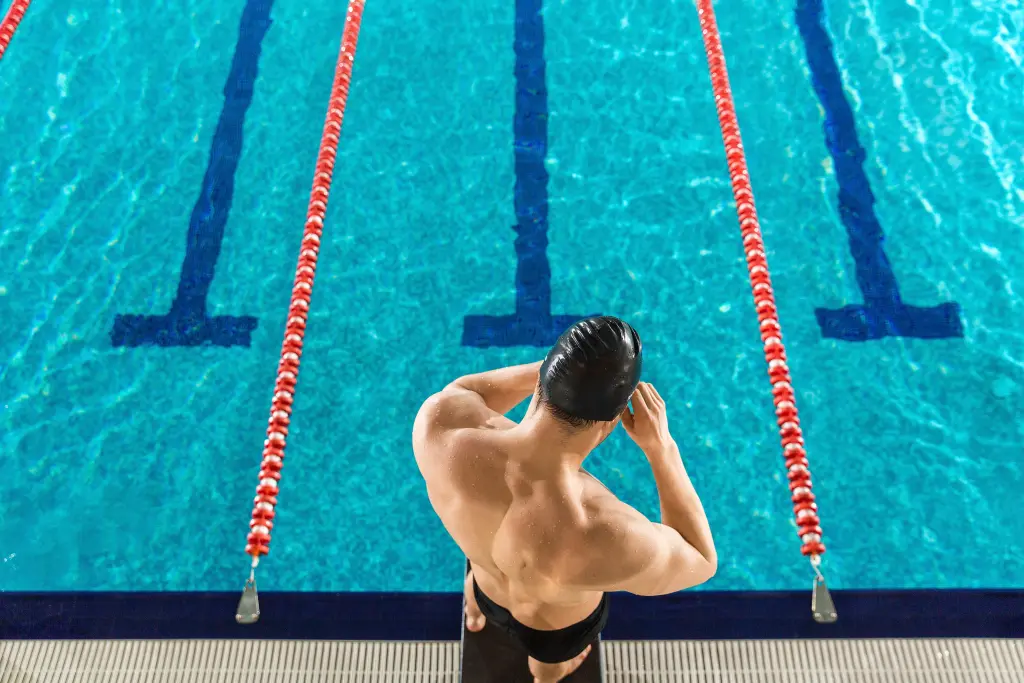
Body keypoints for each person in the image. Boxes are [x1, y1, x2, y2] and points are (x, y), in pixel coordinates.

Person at [412, 316, 717, 683]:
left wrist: (557, 367)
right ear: (614, 420)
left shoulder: (443, 428)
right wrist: (661, 448)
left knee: (481, 577)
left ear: (545, 378)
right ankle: (545, 677)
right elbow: (699, 559)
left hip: (486, 585)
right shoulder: (602, 529)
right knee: (550, 665)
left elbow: (465, 390)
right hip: (552, 630)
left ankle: (474, 615)